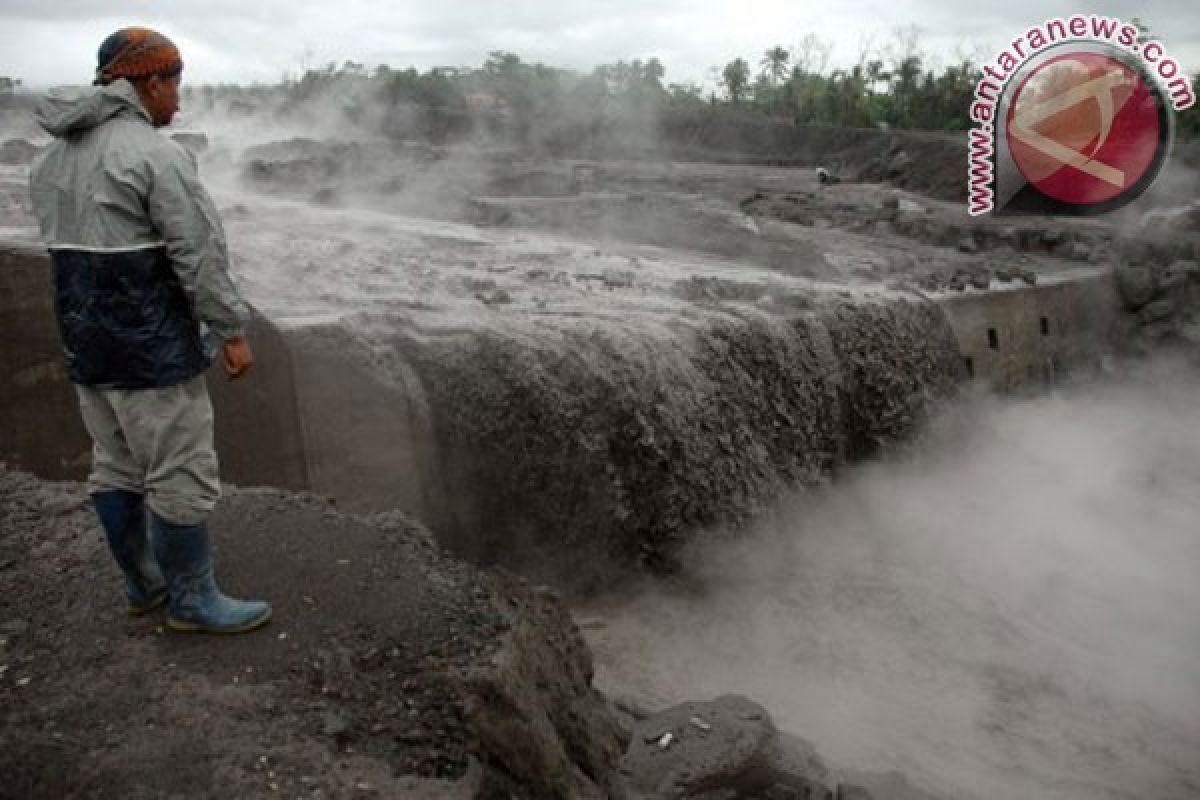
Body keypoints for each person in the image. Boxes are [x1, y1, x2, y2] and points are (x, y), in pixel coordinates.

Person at [29, 27, 271, 634]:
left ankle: (142, 585)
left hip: (86, 344)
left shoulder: (52, 156)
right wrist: (230, 329)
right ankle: (192, 601)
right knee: (179, 466)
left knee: (114, 463)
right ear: (150, 82)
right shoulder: (156, 156)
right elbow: (198, 254)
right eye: (176, 85)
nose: (180, 102)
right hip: (149, 344)